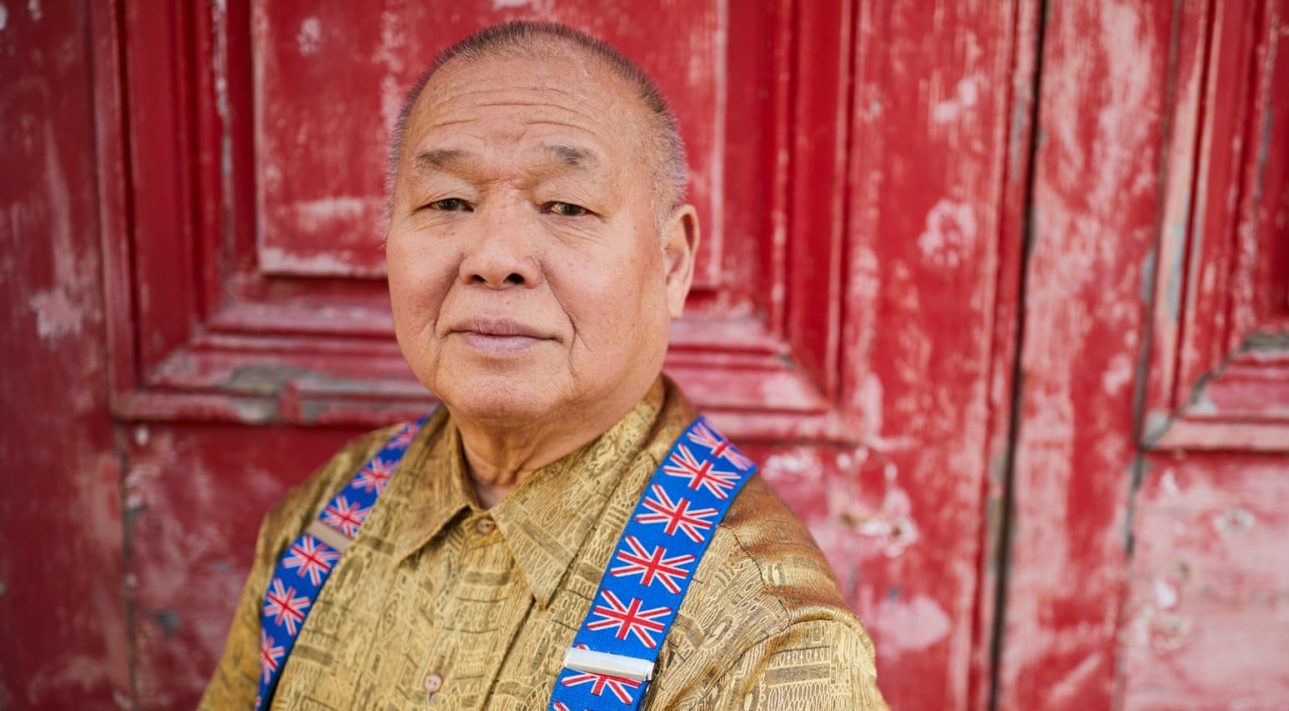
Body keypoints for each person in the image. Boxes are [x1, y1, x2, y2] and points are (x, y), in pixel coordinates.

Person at [200, 20, 887, 710]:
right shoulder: (321, 522)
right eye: (448, 202)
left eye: (567, 205)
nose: (494, 256)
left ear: (672, 263)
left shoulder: (768, 644)